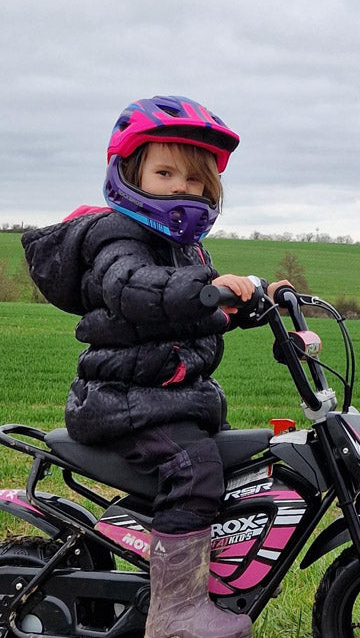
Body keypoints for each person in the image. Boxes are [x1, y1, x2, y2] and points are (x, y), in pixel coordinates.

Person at [23, 94, 267, 638]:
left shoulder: (187, 250)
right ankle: (176, 614)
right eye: (164, 173)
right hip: (122, 401)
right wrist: (205, 290)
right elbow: (135, 289)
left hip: (165, 396)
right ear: (130, 174)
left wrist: (258, 300)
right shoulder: (119, 237)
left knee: (234, 468)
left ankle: (197, 577)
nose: (183, 188)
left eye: (196, 179)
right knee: (194, 468)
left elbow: (196, 303)